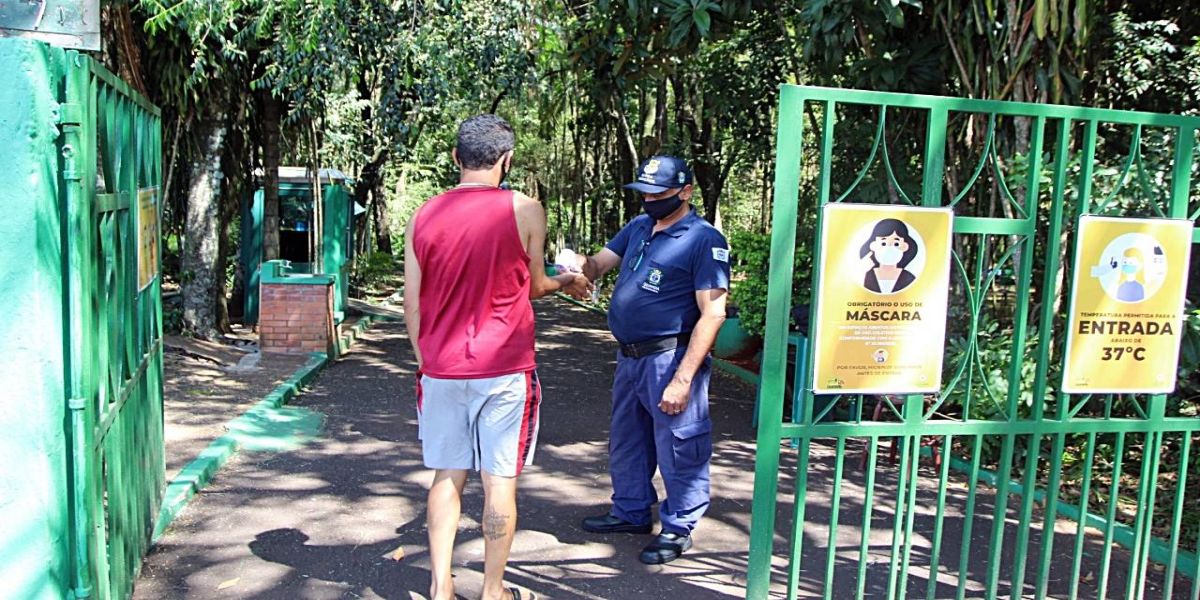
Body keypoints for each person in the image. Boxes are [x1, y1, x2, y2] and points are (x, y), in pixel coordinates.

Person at [403, 114, 590, 600]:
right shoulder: (526, 210)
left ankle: (440, 587)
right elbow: (536, 287)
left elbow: (412, 299)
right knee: (499, 481)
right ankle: (493, 591)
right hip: (506, 370)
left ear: (455, 157)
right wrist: (568, 279)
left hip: (441, 369)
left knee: (447, 476)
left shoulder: (423, 214)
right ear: (506, 160)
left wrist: (426, 360)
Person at [574, 155, 730, 564]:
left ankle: (679, 526)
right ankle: (630, 511)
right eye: (643, 193)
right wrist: (577, 265)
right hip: (630, 358)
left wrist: (683, 379)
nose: (649, 200)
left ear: (686, 192)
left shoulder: (703, 239)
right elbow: (598, 265)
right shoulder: (639, 227)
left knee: (680, 443)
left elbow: (713, 313)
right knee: (628, 440)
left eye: (658, 194)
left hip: (670, 357)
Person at [859, 218, 919, 294]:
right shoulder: (868, 274)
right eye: (883, 243)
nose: (889, 248)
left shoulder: (909, 277)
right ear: (873, 245)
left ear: (905, 246)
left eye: (896, 244)